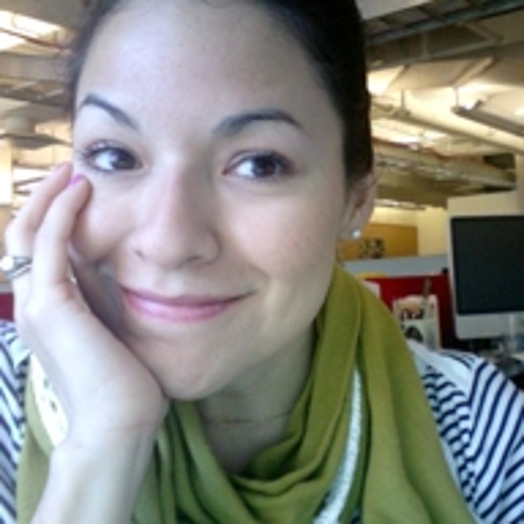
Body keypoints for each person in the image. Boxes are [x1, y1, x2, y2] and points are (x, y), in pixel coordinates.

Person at [0, 0, 522, 522]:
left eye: (259, 164)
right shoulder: (7, 398)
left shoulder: (478, 431)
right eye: (115, 156)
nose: (168, 241)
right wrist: (101, 446)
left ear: (355, 199)